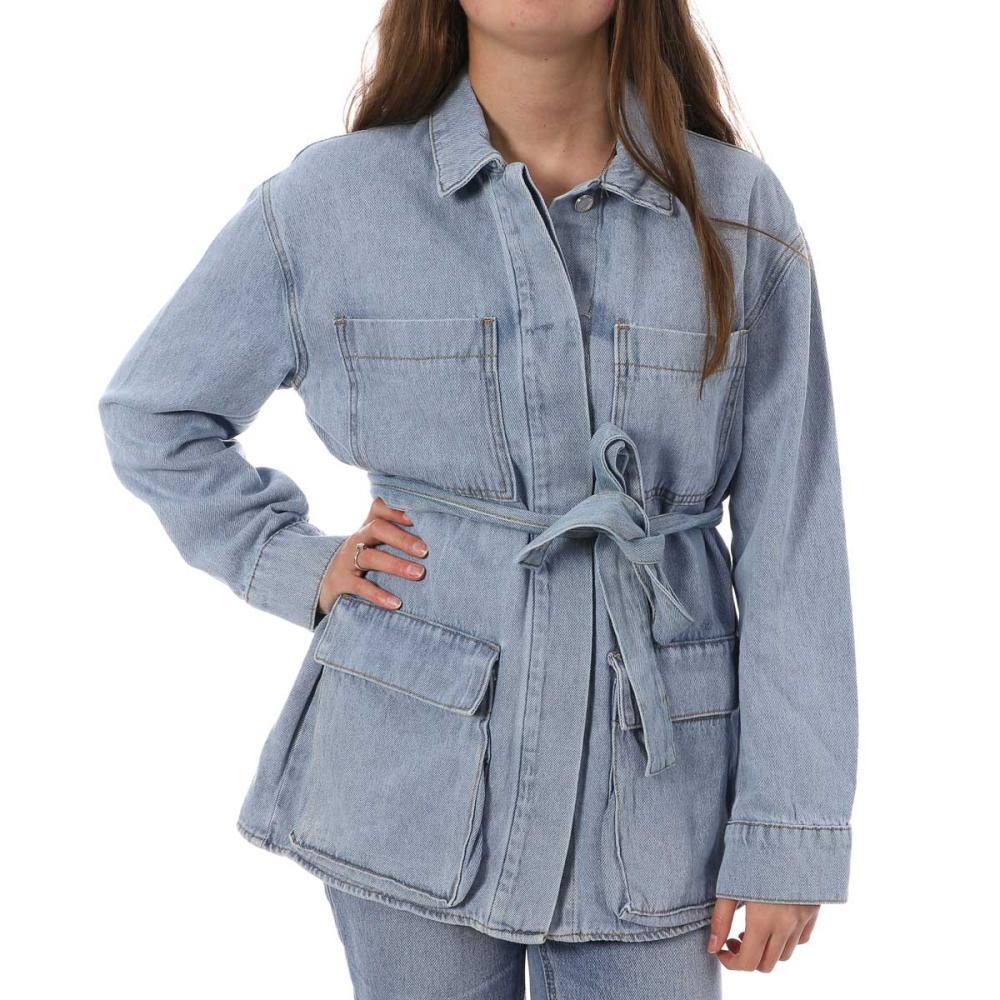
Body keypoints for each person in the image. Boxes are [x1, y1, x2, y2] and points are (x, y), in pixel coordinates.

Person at [97, 1, 858, 997]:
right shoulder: (334, 201)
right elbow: (156, 413)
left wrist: (788, 832)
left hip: (659, 789)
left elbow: (794, 535)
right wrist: (293, 563)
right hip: (410, 765)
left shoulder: (735, 211)